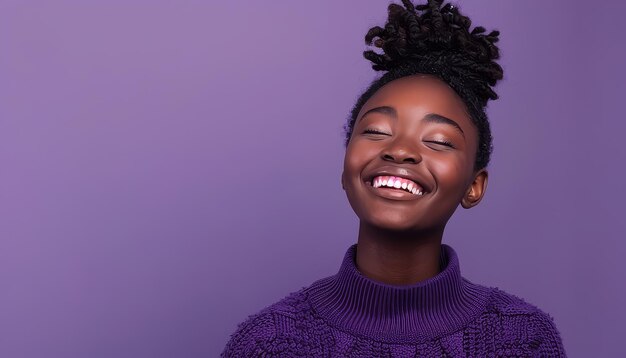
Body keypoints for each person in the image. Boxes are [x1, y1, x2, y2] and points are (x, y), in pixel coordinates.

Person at [221, 0, 567, 356]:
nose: (400, 150)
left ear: (474, 186)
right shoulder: (267, 343)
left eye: (438, 140)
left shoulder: (523, 339)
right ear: (346, 167)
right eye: (376, 131)